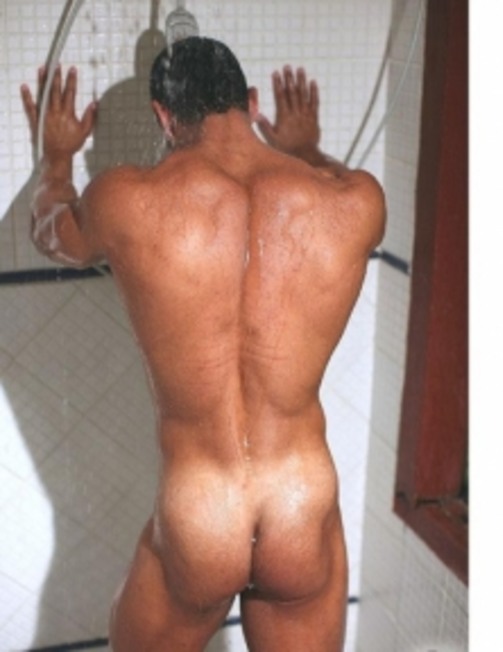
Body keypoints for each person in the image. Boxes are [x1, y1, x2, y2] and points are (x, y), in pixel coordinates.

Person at [21, 37, 385, 652]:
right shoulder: (356, 202)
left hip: (202, 513)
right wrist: (303, 148)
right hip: (301, 500)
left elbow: (50, 233)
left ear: (163, 117)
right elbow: (332, 178)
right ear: (251, 104)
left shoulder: (124, 199)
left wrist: (56, 161)